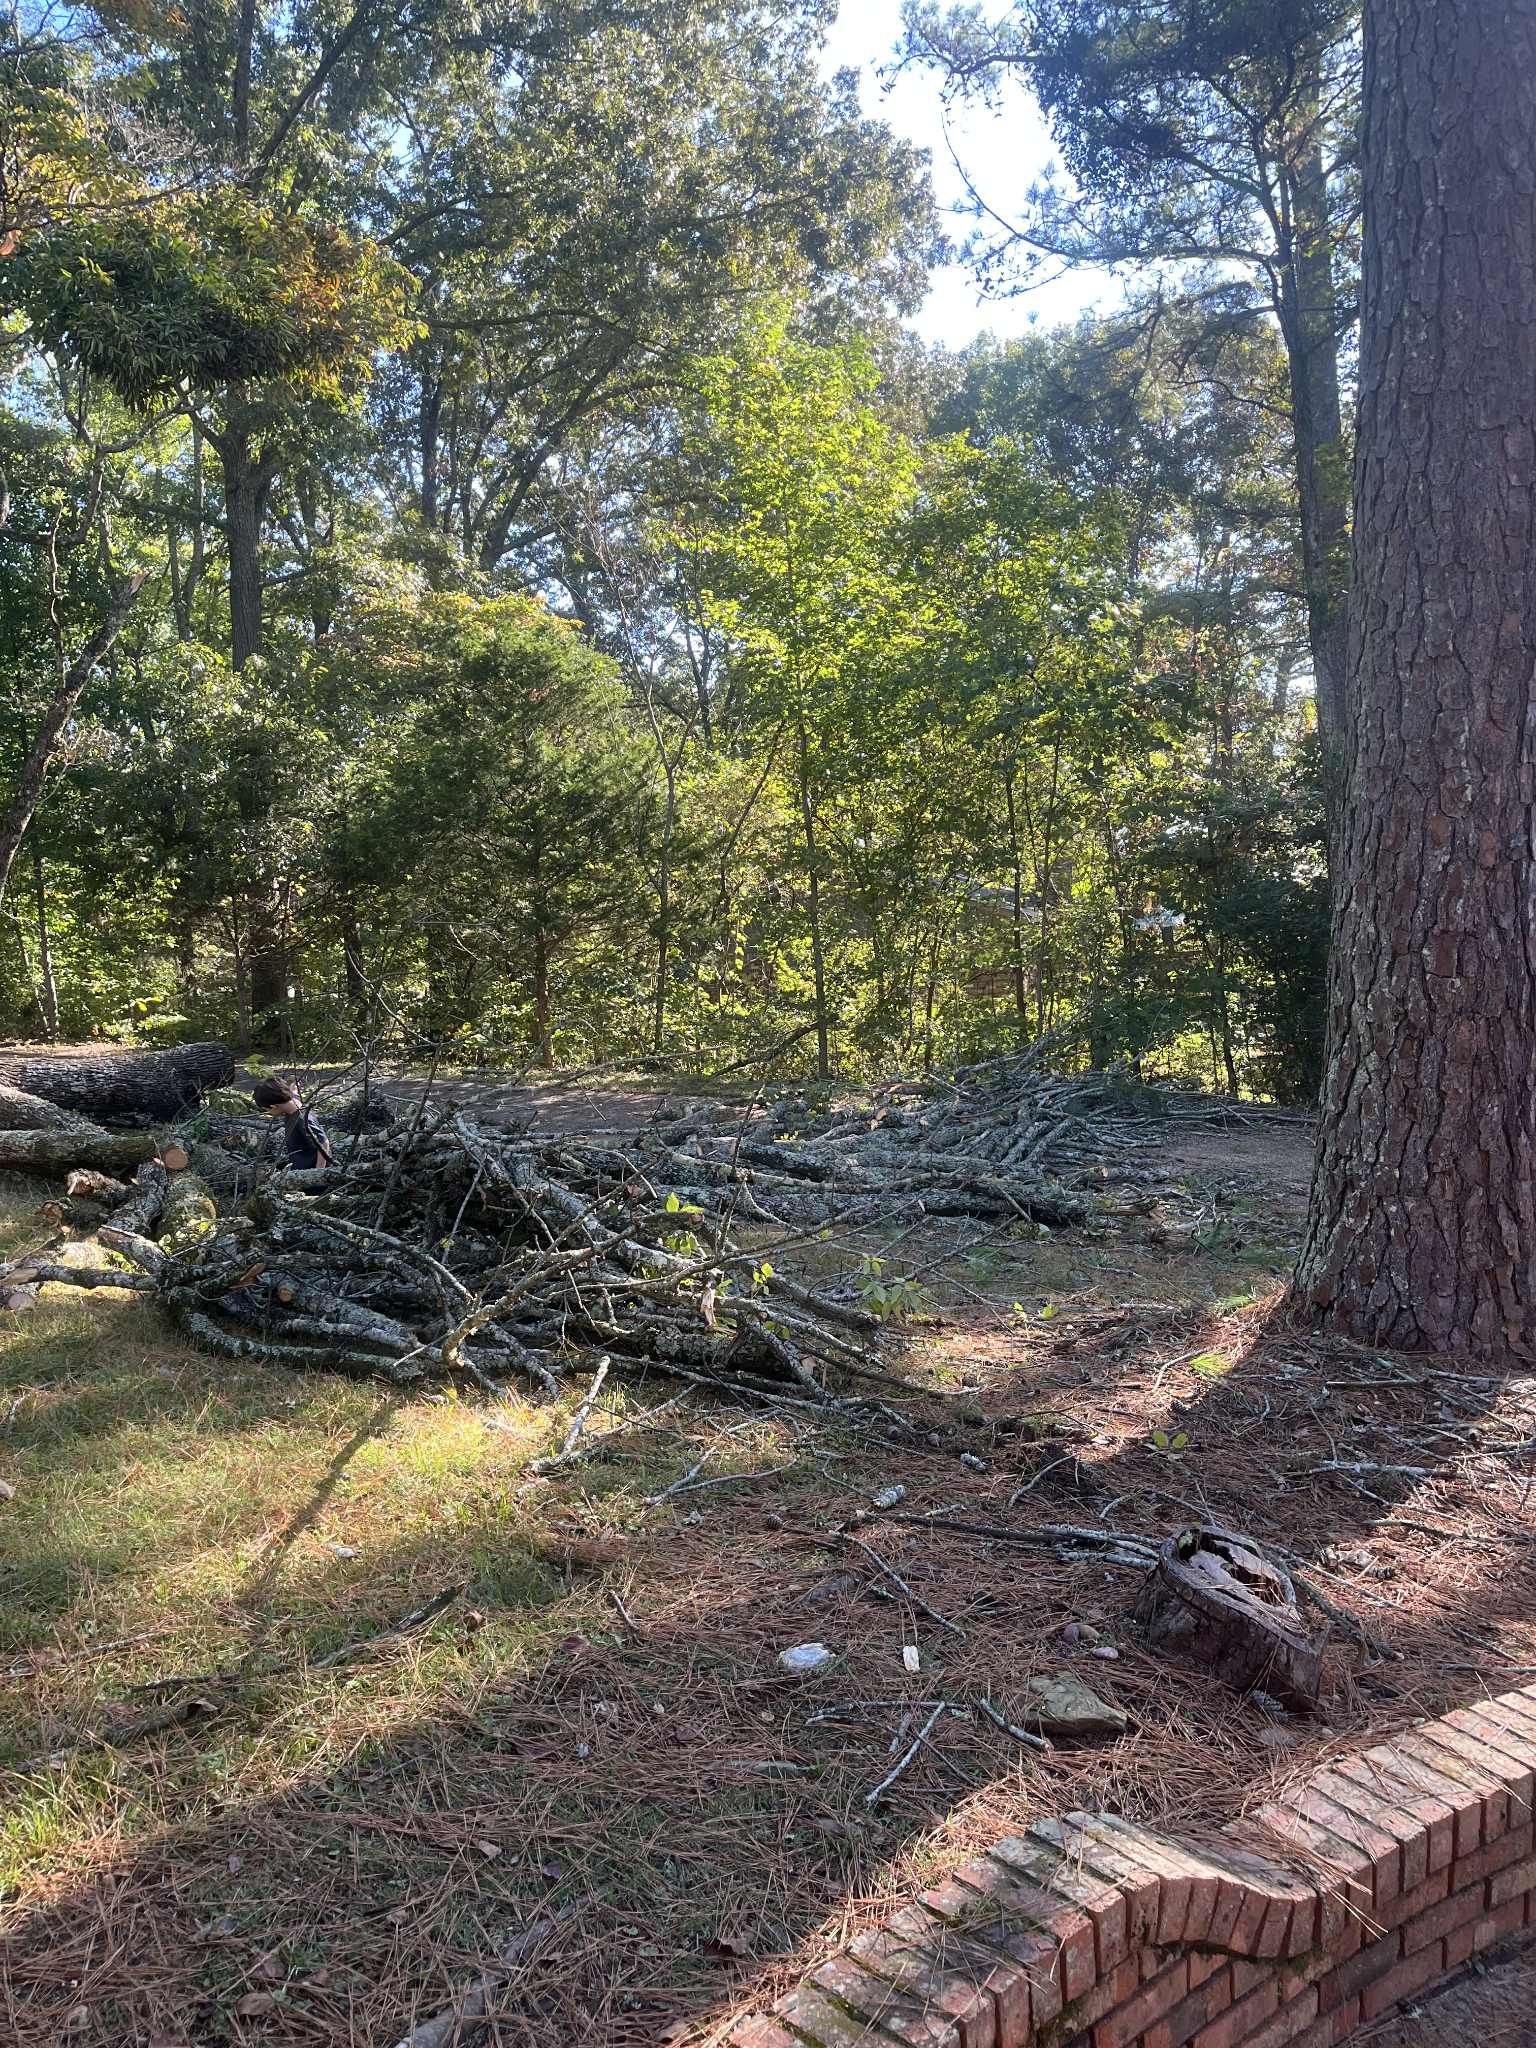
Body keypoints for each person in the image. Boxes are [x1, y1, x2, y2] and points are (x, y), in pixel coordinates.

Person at [251, 1076, 333, 1171]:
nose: (269, 1113)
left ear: (273, 1106)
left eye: (267, 1110)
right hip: (299, 1169)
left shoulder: (301, 1119)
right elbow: (293, 1091)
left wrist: (318, 1171)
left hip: (310, 1171)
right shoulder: (292, 1105)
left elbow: (323, 1143)